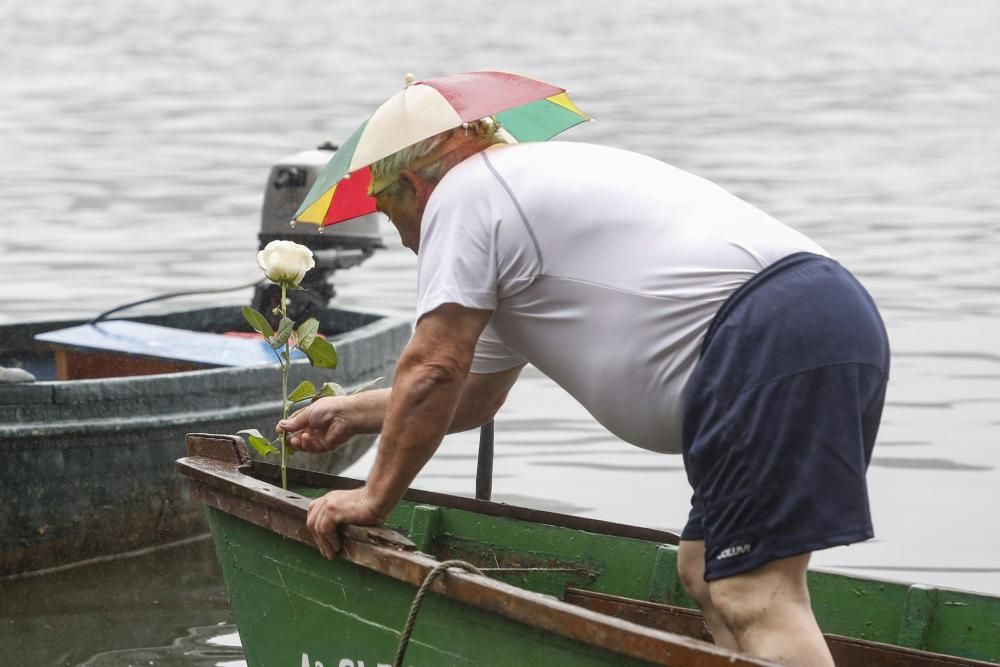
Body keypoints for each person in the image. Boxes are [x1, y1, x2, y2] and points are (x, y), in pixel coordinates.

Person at [278, 118, 889, 666]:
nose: (407, 240)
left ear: (413, 184)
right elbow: (468, 397)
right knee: (705, 570)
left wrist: (373, 498)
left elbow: (434, 366)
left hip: (766, 333)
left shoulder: (464, 196)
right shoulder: (518, 202)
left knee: (755, 592)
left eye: (391, 214)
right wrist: (355, 412)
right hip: (815, 317)